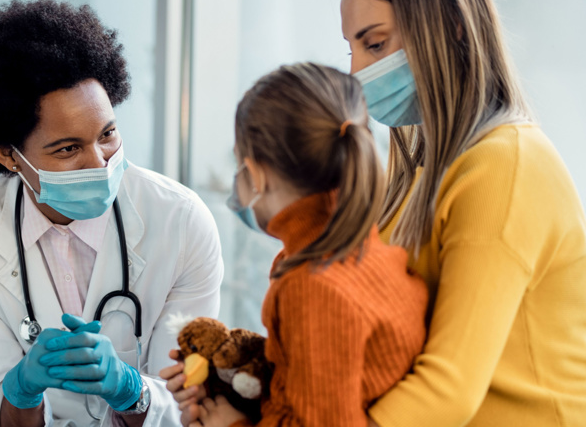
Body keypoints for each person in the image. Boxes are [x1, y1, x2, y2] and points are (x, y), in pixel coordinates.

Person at [0, 0, 224, 427]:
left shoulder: (181, 221)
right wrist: (21, 389)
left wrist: (131, 391)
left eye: (107, 134)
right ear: (9, 155)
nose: (100, 162)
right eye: (68, 149)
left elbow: (189, 408)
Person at [338, 0, 586, 425]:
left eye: (374, 45)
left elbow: (446, 390)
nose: (356, 74)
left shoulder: (504, 166)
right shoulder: (419, 174)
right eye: (351, 49)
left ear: (451, 25)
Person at [161, 63, 428, 426]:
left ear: (255, 176)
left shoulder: (312, 287)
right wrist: (229, 375)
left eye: (239, 167)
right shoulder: (373, 255)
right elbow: (317, 380)